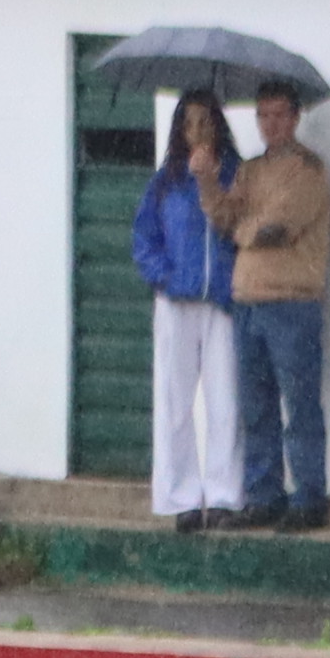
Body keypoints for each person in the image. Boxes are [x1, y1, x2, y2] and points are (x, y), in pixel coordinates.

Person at [219, 80, 330, 533]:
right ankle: (263, 495)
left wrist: (242, 230)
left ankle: (308, 496)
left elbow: (277, 228)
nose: (271, 123)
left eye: (280, 114)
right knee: (256, 405)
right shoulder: (248, 171)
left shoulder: (309, 170)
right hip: (247, 299)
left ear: (296, 116)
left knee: (300, 404)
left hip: (291, 301)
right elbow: (225, 218)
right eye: (263, 115)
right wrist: (209, 180)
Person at [130, 93, 243, 529]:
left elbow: (239, 229)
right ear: (180, 130)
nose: (198, 131)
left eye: (206, 122)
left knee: (225, 400)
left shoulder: (236, 175)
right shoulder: (165, 182)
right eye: (189, 123)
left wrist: (211, 182)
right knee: (175, 402)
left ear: (218, 126)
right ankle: (180, 498)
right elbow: (144, 241)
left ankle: (223, 496)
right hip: (177, 302)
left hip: (222, 302)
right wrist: (167, 277)